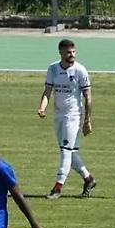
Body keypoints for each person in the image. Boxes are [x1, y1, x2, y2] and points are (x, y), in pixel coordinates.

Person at [36, 38, 96, 199]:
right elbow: (48, 91)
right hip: (58, 116)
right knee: (70, 152)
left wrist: (87, 120)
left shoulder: (80, 71)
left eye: (73, 52)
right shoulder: (53, 69)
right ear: (61, 52)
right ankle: (88, 178)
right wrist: (42, 107)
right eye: (68, 52)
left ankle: (57, 188)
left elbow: (88, 97)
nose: (72, 55)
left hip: (73, 116)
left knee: (65, 151)